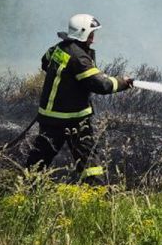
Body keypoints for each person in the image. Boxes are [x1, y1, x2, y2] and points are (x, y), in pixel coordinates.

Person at [25, 14, 134, 184]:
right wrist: (123, 83)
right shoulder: (79, 57)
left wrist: (67, 80)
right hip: (73, 118)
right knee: (88, 159)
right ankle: (95, 192)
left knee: (39, 159)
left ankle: (25, 188)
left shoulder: (58, 49)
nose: (93, 40)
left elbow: (45, 62)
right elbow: (102, 85)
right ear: (82, 33)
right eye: (91, 35)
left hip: (49, 117)